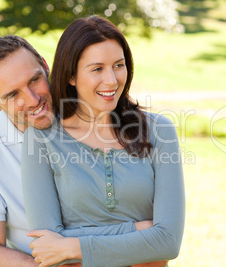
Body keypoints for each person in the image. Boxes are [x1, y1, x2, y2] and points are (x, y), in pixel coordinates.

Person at [0, 34, 164, 267]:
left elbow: (157, 236)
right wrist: (136, 232)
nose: (33, 99)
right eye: (12, 95)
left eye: (34, 80)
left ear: (46, 67)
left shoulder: (95, 111)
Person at [21, 15, 185, 267]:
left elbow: (168, 242)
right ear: (71, 76)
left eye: (118, 65)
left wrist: (72, 245)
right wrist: (140, 231)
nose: (111, 80)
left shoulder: (159, 130)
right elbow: (47, 248)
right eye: (97, 69)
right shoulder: (41, 138)